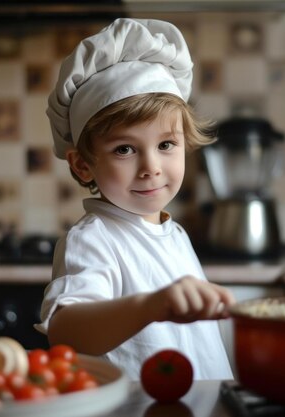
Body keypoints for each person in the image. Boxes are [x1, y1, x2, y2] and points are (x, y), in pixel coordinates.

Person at [36, 18, 235, 380]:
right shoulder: (94, 239)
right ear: (83, 165)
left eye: (166, 145)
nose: (151, 167)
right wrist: (150, 306)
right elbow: (65, 332)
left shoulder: (173, 235)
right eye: (125, 149)